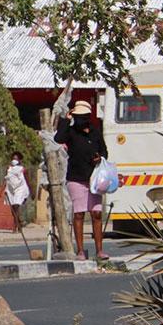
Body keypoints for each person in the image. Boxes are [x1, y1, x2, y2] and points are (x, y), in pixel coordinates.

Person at [55, 99, 111, 261]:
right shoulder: (71, 132)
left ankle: (99, 251)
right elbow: (59, 138)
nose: (81, 119)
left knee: (97, 213)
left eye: (84, 116)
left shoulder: (95, 132)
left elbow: (104, 151)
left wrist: (100, 158)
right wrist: (66, 120)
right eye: (78, 116)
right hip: (76, 178)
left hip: (94, 179)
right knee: (79, 214)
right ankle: (80, 251)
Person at [4, 151, 31, 236]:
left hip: (20, 189)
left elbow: (27, 180)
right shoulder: (8, 169)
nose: (14, 160)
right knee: (13, 209)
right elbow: (6, 180)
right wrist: (3, 190)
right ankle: (19, 223)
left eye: (16, 159)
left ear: (19, 160)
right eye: (13, 158)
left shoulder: (23, 169)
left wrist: (31, 191)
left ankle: (15, 226)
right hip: (11, 189)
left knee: (16, 206)